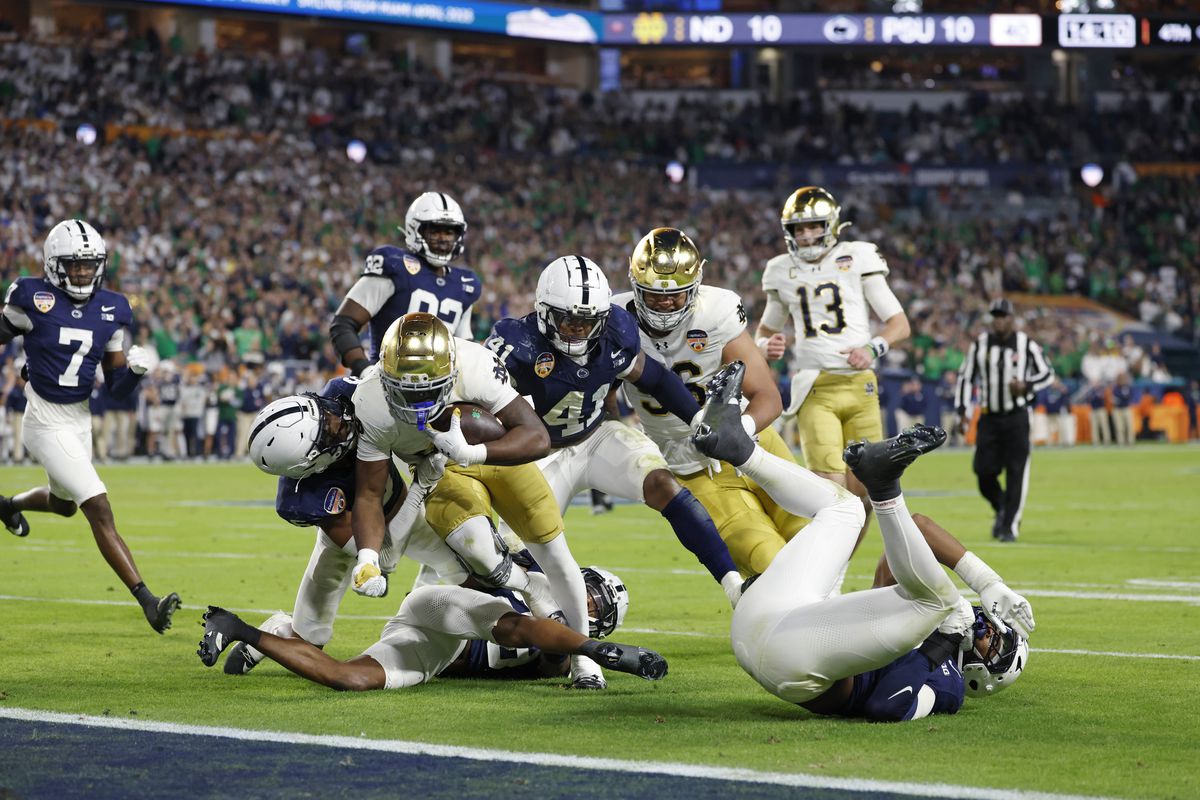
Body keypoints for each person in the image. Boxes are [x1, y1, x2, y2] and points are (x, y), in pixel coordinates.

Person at [690, 362, 1034, 717]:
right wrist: (987, 581)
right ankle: (738, 446)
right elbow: (915, 530)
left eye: (993, 644)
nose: (987, 630)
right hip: (769, 618)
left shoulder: (949, 684)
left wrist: (943, 641)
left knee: (940, 603)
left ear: (983, 674)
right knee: (846, 509)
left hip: (793, 664)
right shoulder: (912, 623)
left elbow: (885, 706)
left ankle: (884, 488)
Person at [347, 312, 609, 689]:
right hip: (440, 468)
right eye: (407, 390)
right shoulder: (370, 401)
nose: (419, 402)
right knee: (482, 554)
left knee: (554, 551)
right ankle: (528, 585)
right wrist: (368, 559)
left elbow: (536, 437)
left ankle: (586, 661)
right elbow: (369, 492)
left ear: (451, 373)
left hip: (495, 456)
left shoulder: (476, 364)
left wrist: (475, 452)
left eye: (428, 390)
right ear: (384, 376)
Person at [485, 254, 743, 607]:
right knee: (516, 554)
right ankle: (531, 627)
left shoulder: (616, 331)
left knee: (662, 483)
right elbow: (480, 404)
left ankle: (734, 585)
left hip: (596, 436)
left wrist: (697, 420)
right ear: (545, 311)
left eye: (587, 321)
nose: (578, 328)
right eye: (569, 319)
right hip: (539, 456)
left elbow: (655, 378)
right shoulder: (515, 344)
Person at [0, 219, 180, 633]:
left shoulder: (112, 308)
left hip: (80, 419)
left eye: (88, 265)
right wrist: (29, 368)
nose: (81, 273)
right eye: (73, 265)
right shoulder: (32, 297)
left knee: (64, 505)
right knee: (97, 506)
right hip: (45, 420)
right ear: (52, 264)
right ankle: (147, 600)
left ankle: (8, 505)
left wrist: (134, 373)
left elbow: (117, 389)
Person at [226, 384, 467, 675]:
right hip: (354, 539)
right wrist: (420, 487)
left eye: (325, 414)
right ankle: (279, 629)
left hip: (408, 513)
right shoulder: (304, 499)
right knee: (309, 646)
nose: (338, 420)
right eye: (328, 433)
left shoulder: (344, 393)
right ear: (310, 465)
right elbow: (386, 556)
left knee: (471, 570)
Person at [614, 228, 805, 578]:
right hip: (689, 460)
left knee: (810, 536)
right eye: (654, 295)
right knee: (767, 556)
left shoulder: (715, 310)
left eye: (675, 295)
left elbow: (767, 396)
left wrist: (736, 430)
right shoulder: (613, 320)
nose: (666, 303)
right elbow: (605, 402)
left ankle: (835, 623)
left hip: (752, 437)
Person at [755, 187, 911, 568]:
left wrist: (873, 348)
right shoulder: (781, 269)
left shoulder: (857, 256)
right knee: (832, 495)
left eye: (813, 226)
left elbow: (899, 323)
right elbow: (763, 332)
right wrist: (766, 347)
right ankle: (828, 578)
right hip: (814, 386)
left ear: (831, 225)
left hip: (861, 386)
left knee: (867, 496)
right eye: (799, 228)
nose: (806, 235)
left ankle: (832, 569)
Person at [196, 580, 667, 692]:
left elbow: (551, 658)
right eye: (587, 593)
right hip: (448, 609)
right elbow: (525, 626)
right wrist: (593, 649)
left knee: (350, 680)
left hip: (438, 652)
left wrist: (584, 662)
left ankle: (246, 629)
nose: (586, 605)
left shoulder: (562, 661)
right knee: (513, 626)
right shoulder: (543, 585)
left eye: (595, 608)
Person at [330, 192, 478, 377]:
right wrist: (364, 369)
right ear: (414, 230)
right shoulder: (396, 266)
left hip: (441, 389)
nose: (443, 238)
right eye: (435, 230)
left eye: (449, 232)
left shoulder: (466, 283)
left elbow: (464, 348)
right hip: (386, 383)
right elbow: (343, 324)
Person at [954, 299, 1054, 542]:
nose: (999, 321)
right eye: (996, 316)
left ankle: (1009, 526)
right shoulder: (980, 345)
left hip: (1017, 417)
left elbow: (1047, 373)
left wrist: (1026, 385)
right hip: (989, 418)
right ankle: (1002, 507)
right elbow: (967, 377)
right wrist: (962, 411)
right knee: (983, 472)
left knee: (1016, 471)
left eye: (1004, 316)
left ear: (1012, 319)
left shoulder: (1025, 344)